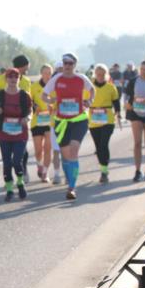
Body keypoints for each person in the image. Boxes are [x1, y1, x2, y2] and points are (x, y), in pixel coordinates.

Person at [42, 53, 95, 200]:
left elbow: (92, 90)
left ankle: (72, 187)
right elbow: (43, 95)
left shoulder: (81, 78)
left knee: (73, 152)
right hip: (61, 121)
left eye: (70, 63)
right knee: (65, 156)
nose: (67, 66)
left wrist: (89, 101)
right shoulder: (56, 79)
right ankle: (69, 181)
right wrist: (51, 100)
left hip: (79, 120)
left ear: (74, 65)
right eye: (65, 63)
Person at [0, 68, 32, 201]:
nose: (13, 80)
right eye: (10, 77)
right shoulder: (0, 95)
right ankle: (9, 189)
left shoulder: (24, 96)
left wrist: (28, 118)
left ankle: (20, 182)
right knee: (7, 163)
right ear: (6, 79)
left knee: (17, 161)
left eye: (16, 77)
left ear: (19, 79)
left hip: (20, 133)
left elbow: (30, 112)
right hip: (4, 134)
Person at [88, 64, 122, 183]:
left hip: (107, 119)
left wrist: (118, 112)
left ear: (106, 74)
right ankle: (103, 168)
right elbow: (83, 100)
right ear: (95, 74)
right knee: (98, 147)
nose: (100, 76)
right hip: (93, 120)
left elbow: (116, 102)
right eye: (98, 74)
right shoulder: (89, 86)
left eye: (103, 74)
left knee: (103, 144)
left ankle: (104, 171)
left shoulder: (111, 87)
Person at [29, 64, 55, 183]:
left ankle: (45, 172)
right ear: (41, 73)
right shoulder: (34, 87)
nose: (47, 75)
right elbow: (29, 102)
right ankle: (39, 164)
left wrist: (53, 107)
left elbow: (59, 101)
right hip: (37, 121)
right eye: (45, 72)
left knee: (48, 147)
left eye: (49, 73)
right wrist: (35, 107)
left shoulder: (54, 87)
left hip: (50, 121)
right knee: (39, 150)